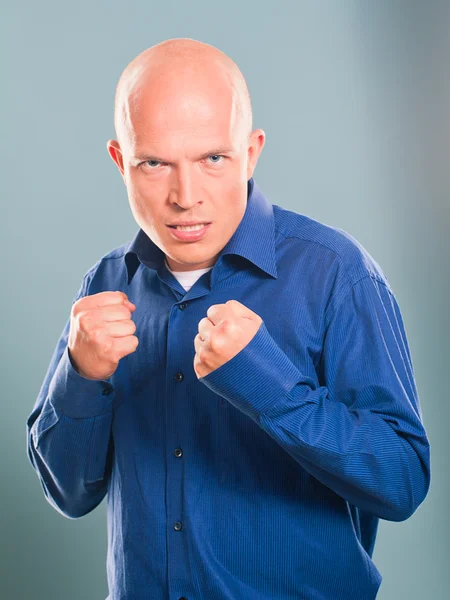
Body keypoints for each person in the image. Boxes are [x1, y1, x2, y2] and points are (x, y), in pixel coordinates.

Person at [26, 37, 431, 600]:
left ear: (251, 151)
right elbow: (68, 494)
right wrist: (80, 375)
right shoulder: (106, 283)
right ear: (121, 161)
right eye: (154, 164)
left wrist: (267, 384)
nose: (184, 196)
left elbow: (403, 480)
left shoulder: (337, 273)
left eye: (213, 159)